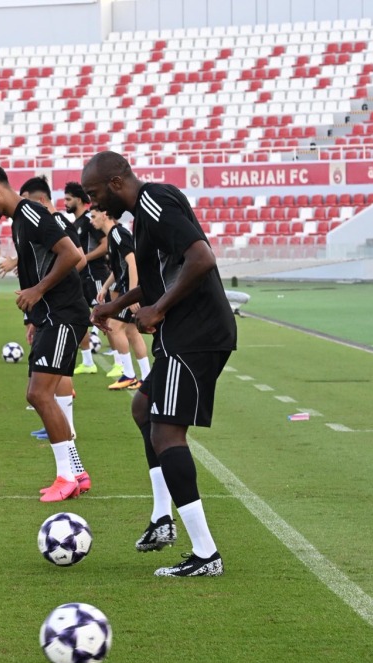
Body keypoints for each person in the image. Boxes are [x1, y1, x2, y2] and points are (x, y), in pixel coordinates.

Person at [84, 151, 235, 578]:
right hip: (183, 334)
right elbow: (153, 283)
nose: (94, 204)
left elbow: (202, 257)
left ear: (116, 183)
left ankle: (205, 554)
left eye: (95, 195)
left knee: (167, 431)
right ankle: (162, 518)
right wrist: (116, 304)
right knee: (142, 409)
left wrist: (158, 309)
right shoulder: (141, 217)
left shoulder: (153, 202)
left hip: (196, 334)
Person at [0, 164, 91, 502]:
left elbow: (73, 255)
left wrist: (37, 290)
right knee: (47, 393)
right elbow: (45, 263)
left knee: (38, 394)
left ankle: (66, 476)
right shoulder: (20, 222)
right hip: (52, 316)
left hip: (64, 315)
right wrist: (36, 313)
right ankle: (76, 471)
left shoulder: (31, 213)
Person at [15, 176, 87, 443]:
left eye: (28, 202)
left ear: (42, 201)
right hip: (51, 307)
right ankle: (61, 426)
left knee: (55, 376)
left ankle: (66, 428)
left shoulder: (55, 221)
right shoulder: (37, 223)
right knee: (56, 375)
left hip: (64, 307)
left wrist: (49, 286)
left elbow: (76, 258)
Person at [92, 207, 151, 390]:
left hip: (129, 291)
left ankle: (129, 375)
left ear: (104, 215)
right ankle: (146, 378)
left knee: (114, 327)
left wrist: (133, 294)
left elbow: (132, 262)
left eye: (93, 216)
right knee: (132, 332)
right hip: (128, 289)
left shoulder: (118, 233)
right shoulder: (113, 235)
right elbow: (119, 269)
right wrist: (105, 286)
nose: (91, 220)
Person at [65, 182, 107, 375]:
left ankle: (122, 364)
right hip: (81, 278)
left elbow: (106, 244)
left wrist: (84, 259)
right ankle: (88, 361)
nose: (65, 202)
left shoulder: (91, 222)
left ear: (80, 200)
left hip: (96, 275)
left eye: (68, 199)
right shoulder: (74, 225)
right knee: (80, 317)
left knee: (106, 317)